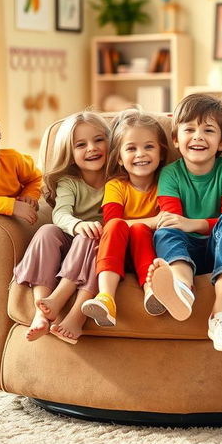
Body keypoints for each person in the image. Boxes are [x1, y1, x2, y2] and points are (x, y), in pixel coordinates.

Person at [147, 93, 222, 353]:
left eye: (209, 130)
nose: (198, 136)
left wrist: (191, 224)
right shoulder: (170, 173)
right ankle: (182, 285)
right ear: (175, 139)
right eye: (189, 129)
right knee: (166, 229)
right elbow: (172, 221)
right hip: (187, 249)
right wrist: (183, 225)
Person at [13, 111, 109, 344]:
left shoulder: (116, 179)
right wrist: (77, 225)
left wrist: (90, 229)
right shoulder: (69, 181)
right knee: (46, 231)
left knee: (91, 237)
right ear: (70, 153)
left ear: (110, 142)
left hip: (98, 246)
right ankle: (41, 314)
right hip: (70, 242)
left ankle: (72, 314)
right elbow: (60, 213)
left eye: (98, 140)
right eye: (81, 144)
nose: (92, 148)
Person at [83, 109, 169, 327]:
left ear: (161, 153)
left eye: (149, 146)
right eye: (131, 148)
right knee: (119, 225)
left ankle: (152, 290)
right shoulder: (115, 186)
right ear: (119, 158)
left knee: (139, 231)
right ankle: (106, 298)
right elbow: (111, 223)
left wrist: (145, 224)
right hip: (116, 254)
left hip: (149, 253)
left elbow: (168, 218)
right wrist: (152, 221)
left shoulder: (166, 183)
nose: (140, 154)